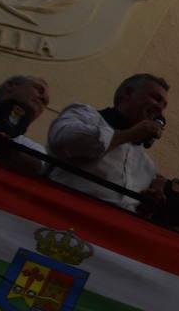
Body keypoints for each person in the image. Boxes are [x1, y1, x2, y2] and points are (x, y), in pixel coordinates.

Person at [47, 73, 168, 212]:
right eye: (156, 98)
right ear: (128, 93)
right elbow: (63, 140)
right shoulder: (84, 115)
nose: (160, 109)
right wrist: (130, 134)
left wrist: (148, 205)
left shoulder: (147, 166)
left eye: (164, 106)